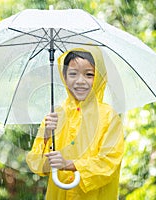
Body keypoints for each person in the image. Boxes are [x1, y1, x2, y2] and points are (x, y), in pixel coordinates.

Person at [26, 46, 124, 200]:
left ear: (99, 78)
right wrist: (46, 135)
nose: (80, 81)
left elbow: (108, 163)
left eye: (89, 74)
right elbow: (36, 164)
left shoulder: (109, 117)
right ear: (64, 77)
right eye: (73, 74)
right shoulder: (55, 116)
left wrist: (69, 164)